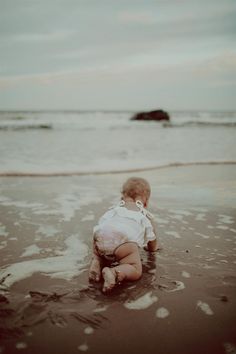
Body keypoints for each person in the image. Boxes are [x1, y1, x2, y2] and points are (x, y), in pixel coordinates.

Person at [88, 177, 159, 293]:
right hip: (123, 241)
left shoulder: (115, 209)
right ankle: (114, 273)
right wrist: (152, 249)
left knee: (100, 253)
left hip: (100, 235)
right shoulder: (143, 213)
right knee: (135, 269)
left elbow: (103, 222)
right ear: (145, 200)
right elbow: (152, 237)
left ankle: (97, 261)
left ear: (122, 196)